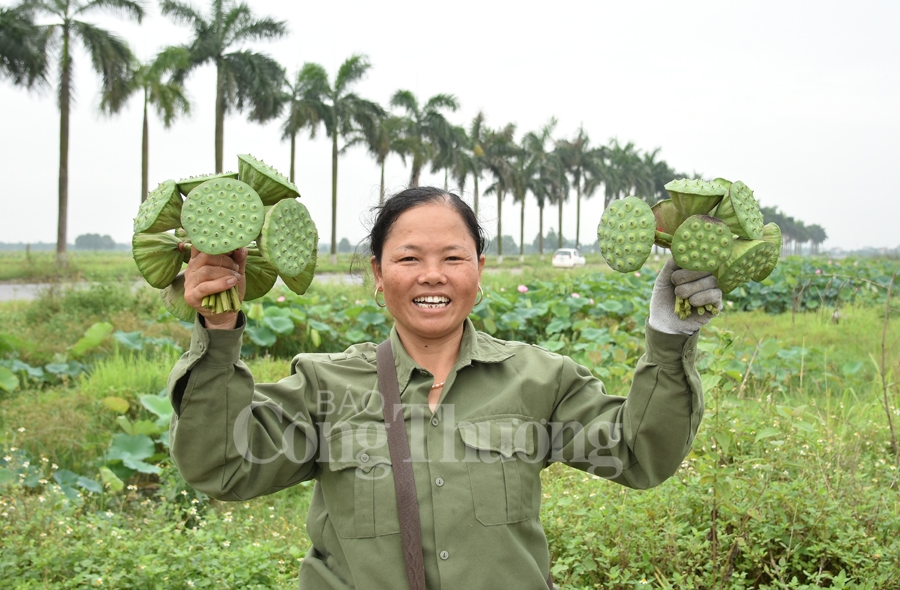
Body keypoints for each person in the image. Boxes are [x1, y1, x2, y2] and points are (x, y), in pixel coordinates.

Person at [167, 186, 722, 589]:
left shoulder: (540, 381)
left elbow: (639, 454)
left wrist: (670, 335)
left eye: (453, 258)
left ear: (478, 272)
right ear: (378, 275)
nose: (432, 275)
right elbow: (223, 465)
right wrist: (218, 335)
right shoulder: (325, 386)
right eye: (408, 258)